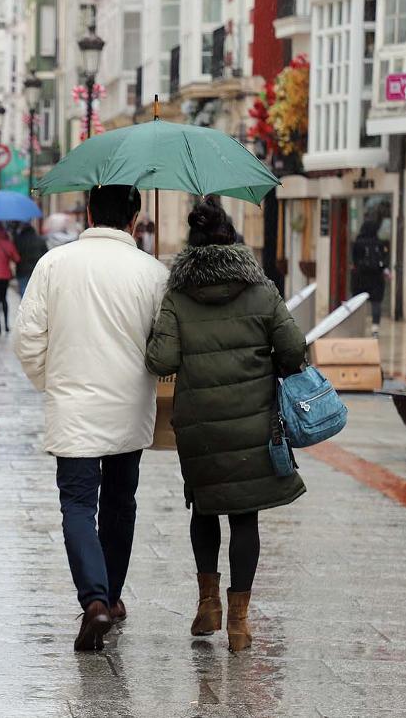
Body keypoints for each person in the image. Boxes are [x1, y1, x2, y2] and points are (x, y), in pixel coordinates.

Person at [145, 201, 306, 652]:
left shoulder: (177, 297)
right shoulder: (262, 290)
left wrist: (155, 329)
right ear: (234, 241)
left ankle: (208, 605)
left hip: (199, 425)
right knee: (245, 516)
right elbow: (295, 350)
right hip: (252, 422)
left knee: (204, 509)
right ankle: (239, 623)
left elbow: (162, 360)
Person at [14, 185, 168, 652]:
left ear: (88, 213)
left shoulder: (55, 264)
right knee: (122, 502)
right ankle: (113, 596)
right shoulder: (153, 272)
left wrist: (52, 380)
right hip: (130, 407)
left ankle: (95, 601)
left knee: (79, 505)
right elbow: (165, 346)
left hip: (74, 406)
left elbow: (27, 337)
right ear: (135, 218)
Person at [351, 218, 390, 336]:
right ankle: (375, 329)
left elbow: (355, 260)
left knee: (358, 303)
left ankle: (357, 326)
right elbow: (384, 260)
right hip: (377, 278)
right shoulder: (379, 243)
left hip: (361, 278)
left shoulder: (358, 242)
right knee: (376, 303)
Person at [13, 221, 48, 296]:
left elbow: (15, 255)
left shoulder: (18, 240)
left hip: (22, 269)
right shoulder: (40, 240)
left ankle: (25, 307)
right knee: (36, 291)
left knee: (23, 290)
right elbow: (46, 254)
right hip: (37, 269)